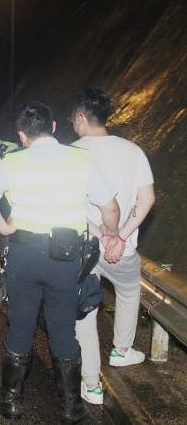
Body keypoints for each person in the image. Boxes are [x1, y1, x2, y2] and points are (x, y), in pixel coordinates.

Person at [0, 102, 120, 423]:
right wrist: (111, 233)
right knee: (63, 329)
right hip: (65, 258)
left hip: (25, 253)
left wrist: (3, 227)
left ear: (22, 134)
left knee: (21, 324)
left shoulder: (13, 162)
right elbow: (109, 207)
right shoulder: (81, 159)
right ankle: (71, 407)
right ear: (54, 127)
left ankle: (10, 400)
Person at [72, 87, 155, 405]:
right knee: (129, 290)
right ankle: (122, 351)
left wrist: (100, 234)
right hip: (123, 247)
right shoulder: (133, 151)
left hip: (85, 247)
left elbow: (70, 204)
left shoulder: (72, 153)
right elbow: (147, 198)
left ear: (81, 118)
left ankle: (91, 384)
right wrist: (120, 235)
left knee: (85, 309)